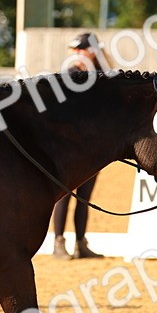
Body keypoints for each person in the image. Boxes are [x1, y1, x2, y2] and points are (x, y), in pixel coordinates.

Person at [52, 32, 107, 259]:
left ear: (92, 52)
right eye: (74, 51)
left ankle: (81, 243)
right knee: (64, 195)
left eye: (80, 50)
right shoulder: (70, 75)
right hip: (69, 146)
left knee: (85, 197)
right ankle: (58, 243)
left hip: (92, 147)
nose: (75, 54)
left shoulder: (104, 77)